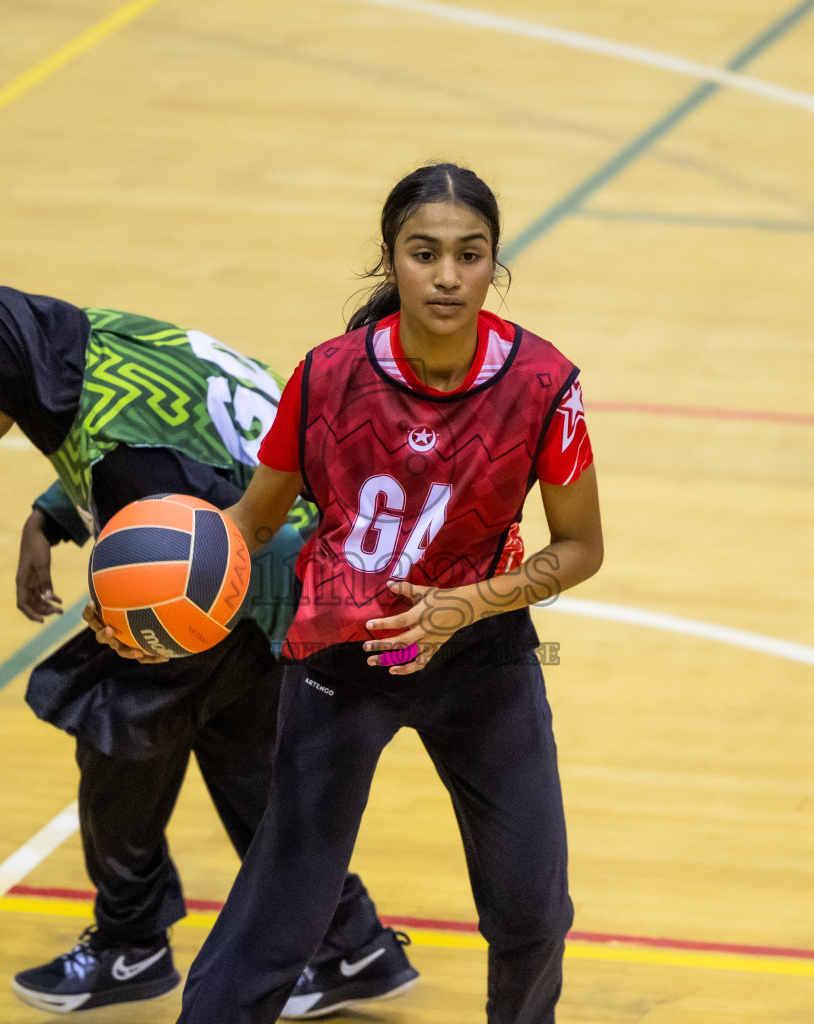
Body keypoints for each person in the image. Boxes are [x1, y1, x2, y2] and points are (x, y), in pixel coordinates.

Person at [0, 290, 417, 1017]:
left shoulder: (124, 456)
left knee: (113, 727)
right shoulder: (98, 346)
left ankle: (130, 943)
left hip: (255, 580)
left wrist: (140, 631)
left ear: (5, 381)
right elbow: (163, 439)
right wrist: (50, 517)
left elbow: (181, 505)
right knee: (242, 760)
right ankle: (348, 942)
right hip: (304, 554)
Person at [173, 163, 603, 1024]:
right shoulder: (325, 376)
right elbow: (251, 524)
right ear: (391, 260)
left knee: (532, 912)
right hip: (343, 657)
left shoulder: (544, 384)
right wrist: (150, 602)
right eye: (425, 253)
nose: (447, 276)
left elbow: (582, 548)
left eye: (469, 255)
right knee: (276, 924)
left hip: (482, 660)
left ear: (493, 265)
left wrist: (470, 606)